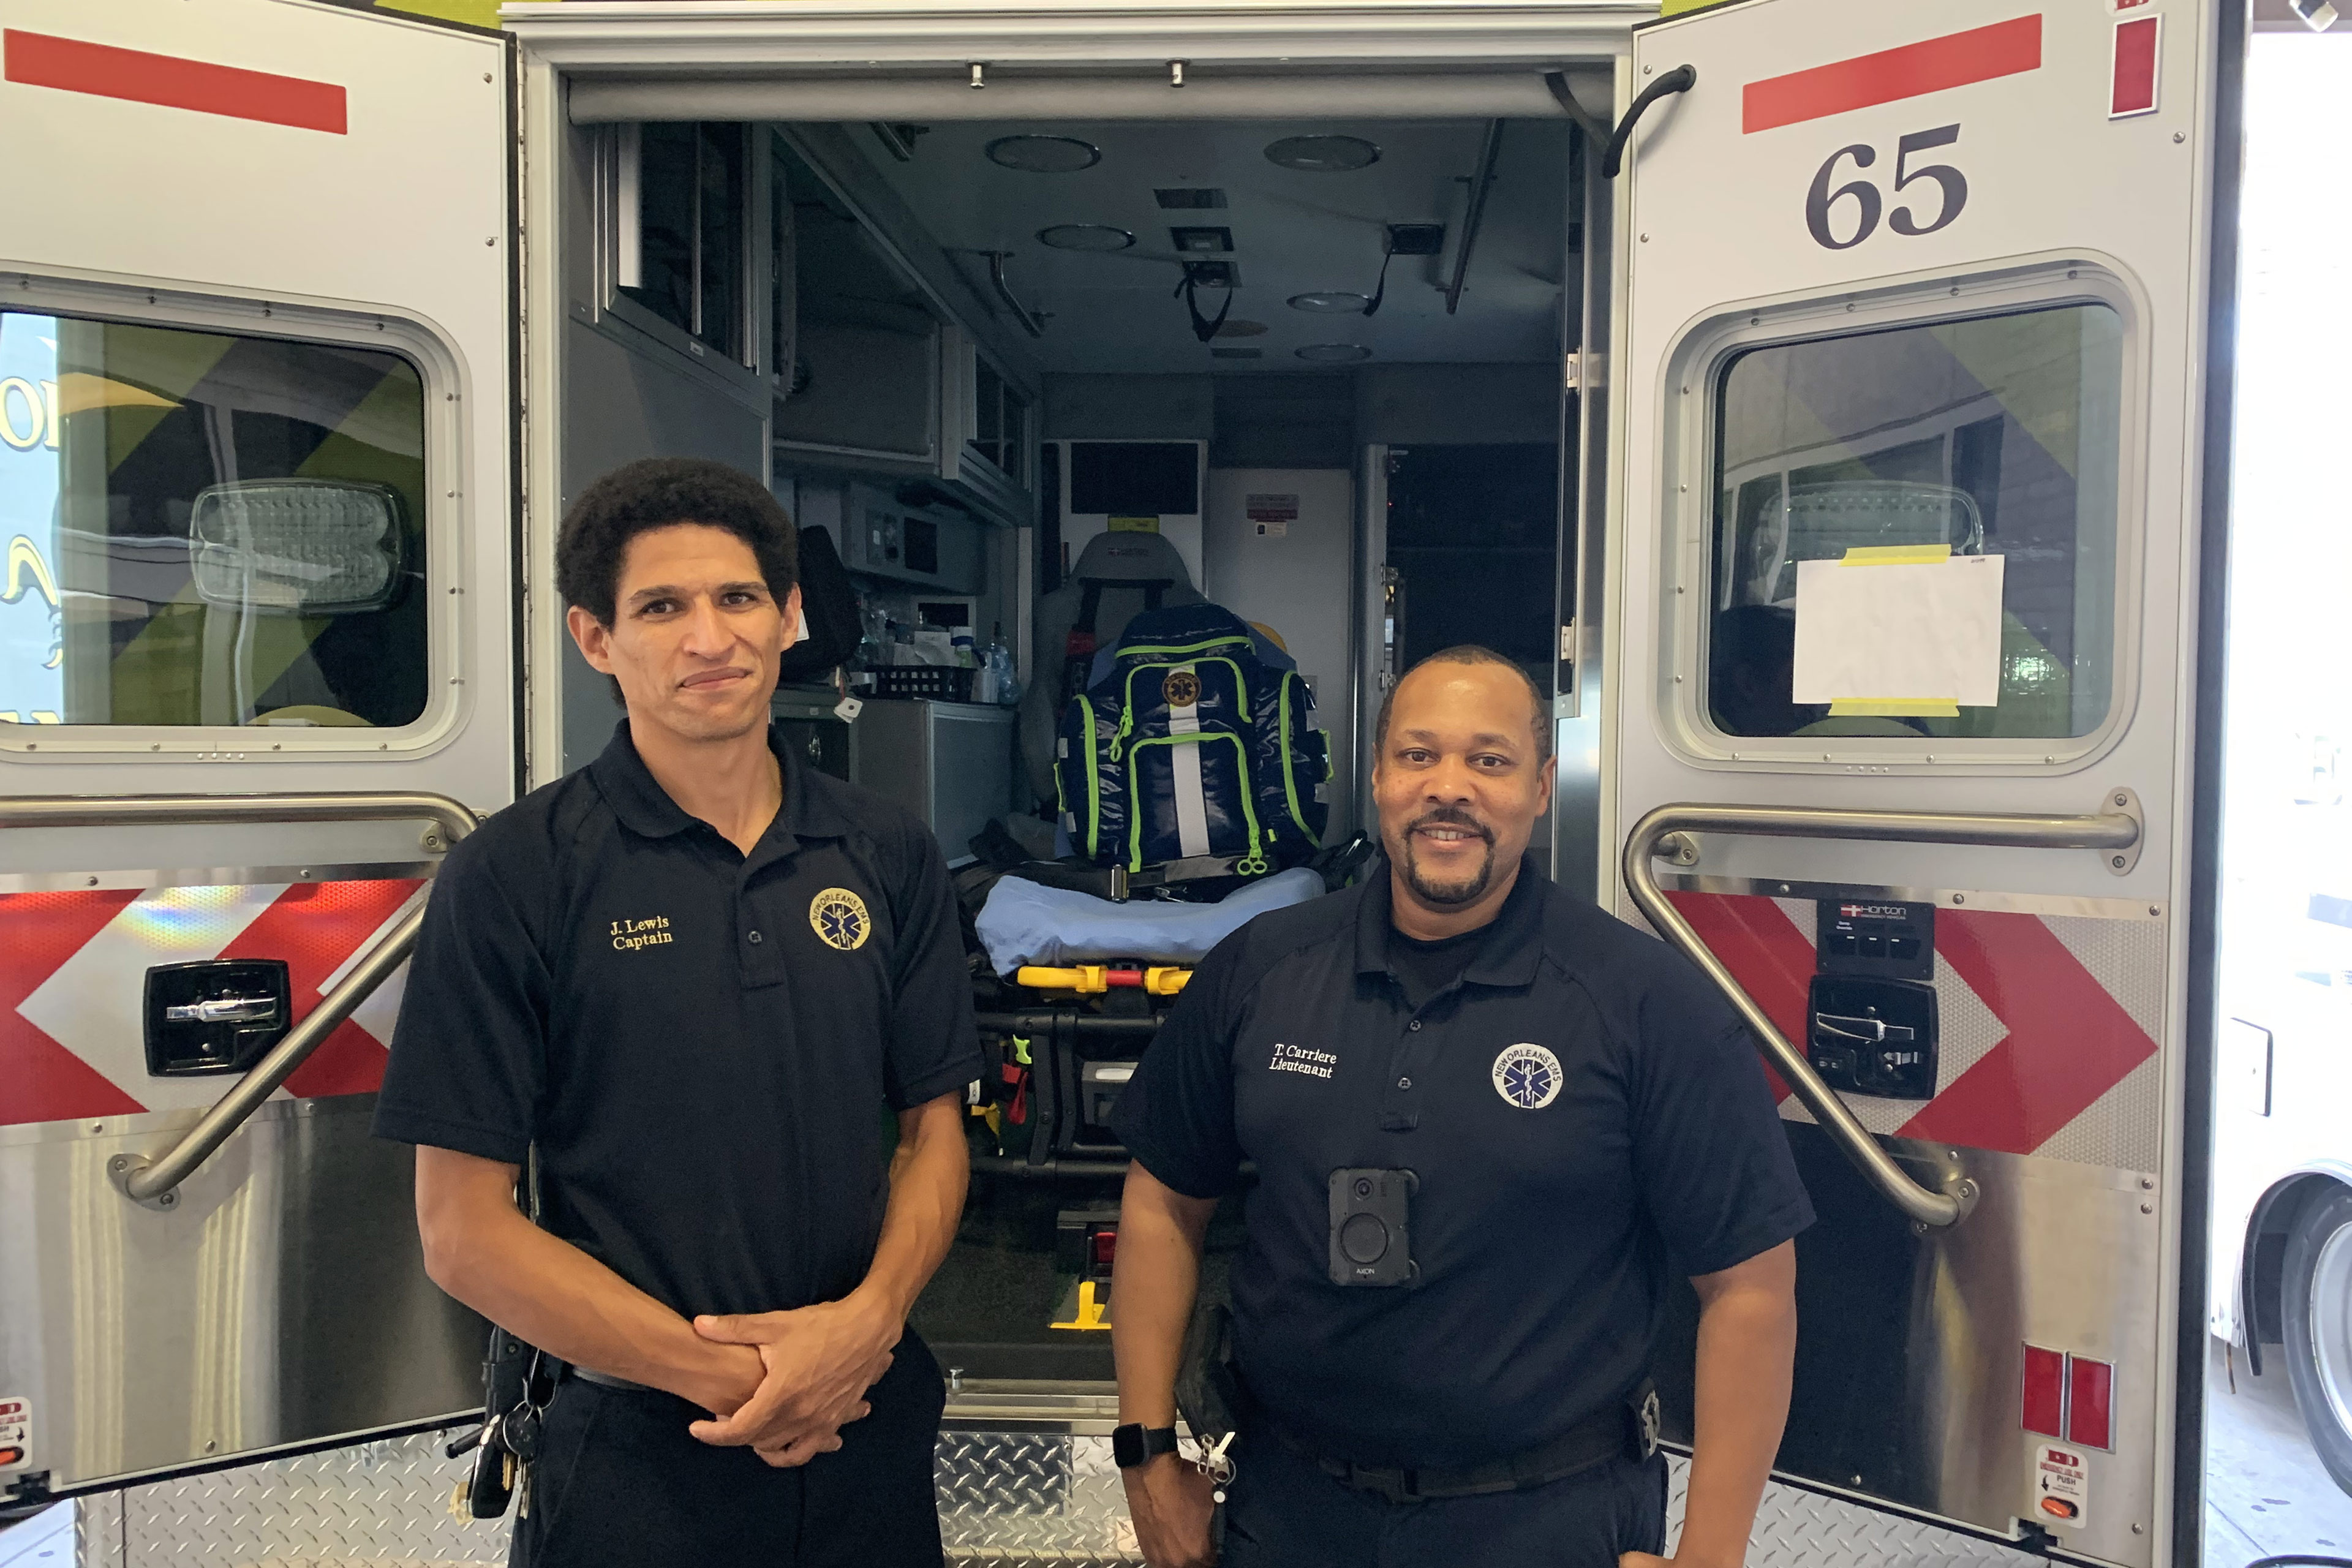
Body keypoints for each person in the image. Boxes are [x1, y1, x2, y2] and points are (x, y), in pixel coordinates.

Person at [373, 458, 982, 1567]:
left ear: (791, 616)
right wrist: (741, 1382)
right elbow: (462, 1232)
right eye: (662, 607)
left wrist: (867, 1324)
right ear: (595, 638)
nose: (712, 638)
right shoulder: (516, 875)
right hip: (636, 1451)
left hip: (868, 1418)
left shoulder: (888, 851)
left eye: (740, 598)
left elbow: (934, 1134)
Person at [1106, 644, 1814, 1568]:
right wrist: (1147, 1457)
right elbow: (1163, 1202)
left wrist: (1712, 1554)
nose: (1450, 788)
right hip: (1290, 1510)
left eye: (1489, 760)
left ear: (1541, 786)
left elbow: (1751, 1289)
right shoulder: (1262, 970)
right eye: (1418, 755)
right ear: (1377, 776)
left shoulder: (1645, 1002)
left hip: (1548, 1520)